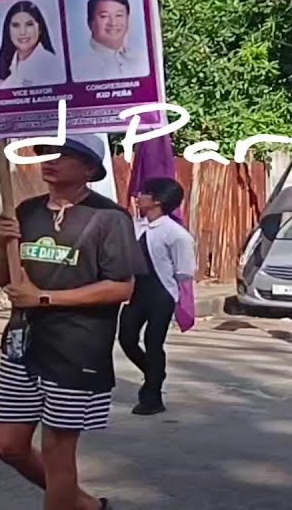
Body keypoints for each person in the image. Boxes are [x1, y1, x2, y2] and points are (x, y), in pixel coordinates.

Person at [0, 134, 144, 510]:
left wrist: (44, 298)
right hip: (22, 345)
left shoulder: (109, 218)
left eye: (62, 155)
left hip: (77, 348)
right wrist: (2, 241)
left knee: (59, 454)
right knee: (7, 446)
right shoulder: (27, 211)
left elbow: (122, 288)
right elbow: (4, 278)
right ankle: (84, 505)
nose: (49, 160)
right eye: (44, 153)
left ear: (89, 168)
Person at [118, 176, 195, 415]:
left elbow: (184, 271)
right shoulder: (135, 225)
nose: (138, 196)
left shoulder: (176, 234)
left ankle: (152, 395)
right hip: (135, 292)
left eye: (144, 193)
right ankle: (154, 373)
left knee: (153, 343)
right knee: (127, 339)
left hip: (161, 293)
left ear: (158, 200)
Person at [71, 0, 149, 82]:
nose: (113, 23)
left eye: (119, 15)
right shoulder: (78, 68)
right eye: (104, 16)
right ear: (90, 22)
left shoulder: (142, 61)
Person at [0, 0, 66, 90]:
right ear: (8, 31)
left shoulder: (51, 64)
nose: (23, 32)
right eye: (16, 25)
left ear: (40, 29)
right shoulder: (6, 64)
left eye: (29, 25)